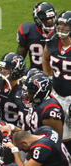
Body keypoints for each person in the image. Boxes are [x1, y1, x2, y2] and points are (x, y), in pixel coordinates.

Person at [42, 10, 71, 148]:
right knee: (60, 136)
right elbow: (45, 58)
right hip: (57, 94)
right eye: (59, 24)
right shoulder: (52, 40)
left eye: (66, 25)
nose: (61, 28)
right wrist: (48, 78)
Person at [0, 52, 28, 128]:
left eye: (6, 68)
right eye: (2, 68)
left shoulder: (24, 89)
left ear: (16, 70)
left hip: (16, 129)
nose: (2, 71)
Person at [17, 2, 56, 70]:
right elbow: (19, 59)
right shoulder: (27, 32)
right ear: (37, 20)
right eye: (45, 20)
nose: (50, 22)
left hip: (57, 74)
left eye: (51, 18)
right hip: (36, 73)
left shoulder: (61, 33)